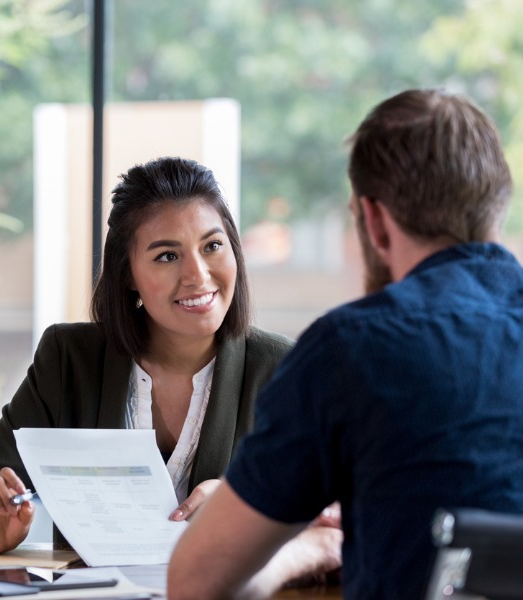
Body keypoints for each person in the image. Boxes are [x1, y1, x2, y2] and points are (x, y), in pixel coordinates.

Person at [167, 88, 523, 600]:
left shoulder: (353, 349)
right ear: (498, 203)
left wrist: (307, 549)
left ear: (373, 220)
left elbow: (196, 582)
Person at [0, 156, 341, 587]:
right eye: (167, 256)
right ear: (128, 274)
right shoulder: (69, 359)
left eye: (212, 246)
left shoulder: (285, 370)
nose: (198, 275)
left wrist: (246, 506)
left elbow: (336, 518)